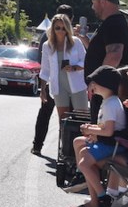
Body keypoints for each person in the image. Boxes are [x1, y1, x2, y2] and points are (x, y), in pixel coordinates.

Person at [67, 66, 128, 207]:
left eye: (94, 82)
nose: (91, 86)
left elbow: (108, 131)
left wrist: (93, 131)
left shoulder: (111, 104)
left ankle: (102, 197)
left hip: (112, 146)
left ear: (104, 84)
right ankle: (92, 194)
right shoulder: (109, 101)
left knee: (84, 162)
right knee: (79, 146)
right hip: (109, 144)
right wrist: (91, 128)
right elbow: (106, 127)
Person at [34, 12, 88, 155]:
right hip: (59, 86)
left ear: (68, 29)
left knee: (81, 119)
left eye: (63, 28)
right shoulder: (47, 45)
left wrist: (75, 67)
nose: (60, 31)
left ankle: (82, 151)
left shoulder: (75, 42)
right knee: (63, 121)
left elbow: (86, 61)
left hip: (76, 84)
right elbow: (45, 69)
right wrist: (43, 89)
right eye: (57, 28)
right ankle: (65, 151)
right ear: (53, 28)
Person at [84, 0, 128, 123]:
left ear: (103, 1)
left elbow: (114, 55)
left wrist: (98, 82)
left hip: (106, 92)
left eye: (94, 3)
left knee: (101, 133)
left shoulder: (113, 24)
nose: (92, 8)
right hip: (107, 91)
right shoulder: (114, 22)